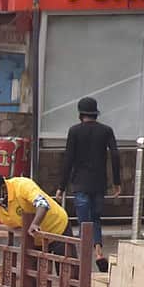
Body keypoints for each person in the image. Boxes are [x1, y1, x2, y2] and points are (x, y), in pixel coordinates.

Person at [56, 96, 120, 273]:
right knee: (96, 219)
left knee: (84, 222)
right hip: (99, 183)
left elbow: (68, 160)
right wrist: (117, 182)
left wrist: (61, 186)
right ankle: (98, 253)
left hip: (80, 184)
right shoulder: (107, 131)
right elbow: (115, 155)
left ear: (80, 114)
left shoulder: (74, 131)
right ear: (96, 113)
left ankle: (83, 262)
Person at [0, 170, 71, 252]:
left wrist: (35, 223)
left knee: (67, 275)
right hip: (35, 240)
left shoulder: (22, 185)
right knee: (33, 279)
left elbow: (42, 204)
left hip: (57, 230)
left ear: (2, 188)